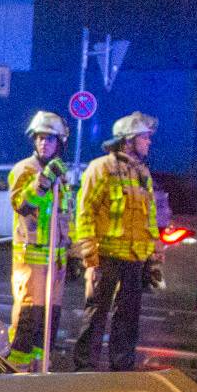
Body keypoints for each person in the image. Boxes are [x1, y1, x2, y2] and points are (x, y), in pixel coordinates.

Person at [71, 111, 161, 371]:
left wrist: (154, 253)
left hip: (134, 259)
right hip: (105, 257)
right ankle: (85, 365)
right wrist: (89, 256)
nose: (149, 142)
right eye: (144, 138)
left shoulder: (142, 173)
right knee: (96, 313)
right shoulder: (101, 168)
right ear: (129, 140)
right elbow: (85, 213)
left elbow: (149, 216)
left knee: (128, 316)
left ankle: (122, 366)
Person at [6, 110, 73, 369]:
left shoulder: (62, 174)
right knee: (28, 316)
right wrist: (43, 181)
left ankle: (39, 367)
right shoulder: (25, 169)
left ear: (59, 144)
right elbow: (21, 204)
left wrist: (74, 252)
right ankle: (17, 370)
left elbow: (66, 215)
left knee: (49, 320)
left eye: (50, 139)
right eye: (40, 138)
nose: (44, 143)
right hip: (32, 259)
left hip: (56, 260)